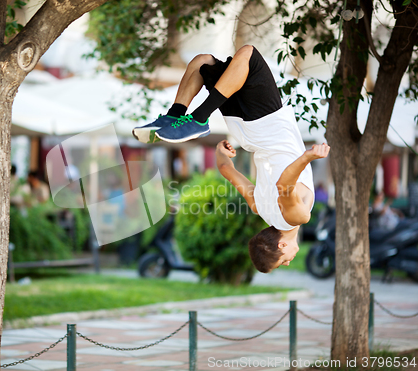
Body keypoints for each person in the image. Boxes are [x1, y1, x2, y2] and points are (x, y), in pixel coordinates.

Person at [133, 45, 330, 272]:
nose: (288, 261)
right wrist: (220, 151)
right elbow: (226, 169)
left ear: (281, 244)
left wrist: (308, 157)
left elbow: (284, 185)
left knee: (248, 54)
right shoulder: (260, 208)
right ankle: (174, 116)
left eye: (282, 260)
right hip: (243, 133)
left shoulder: (297, 217)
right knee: (203, 62)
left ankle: (198, 118)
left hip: (266, 122)